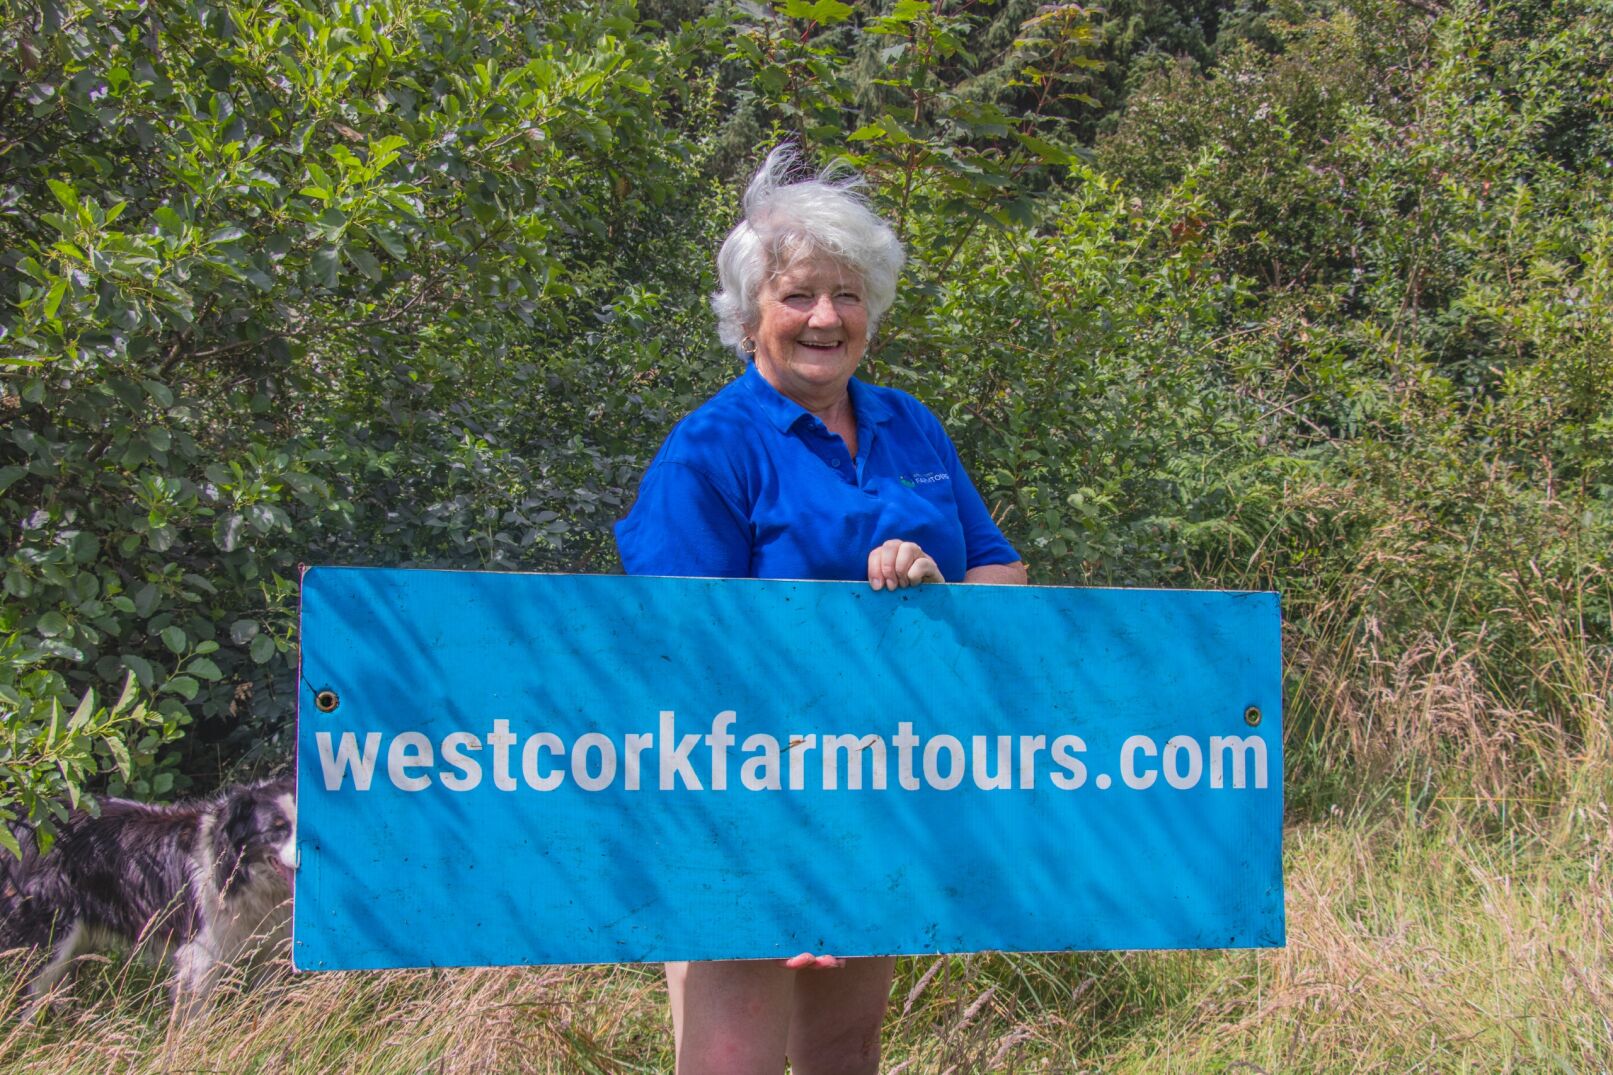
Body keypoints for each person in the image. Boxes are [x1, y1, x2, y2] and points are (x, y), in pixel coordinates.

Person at [614, 145, 1028, 1075]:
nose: (824, 318)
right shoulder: (709, 449)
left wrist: (937, 592)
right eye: (798, 294)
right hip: (745, 794)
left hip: (882, 779)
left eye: (846, 295)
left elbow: (1005, 576)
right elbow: (681, 651)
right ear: (750, 310)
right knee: (735, 1058)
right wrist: (775, 834)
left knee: (845, 1049)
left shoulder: (908, 423)